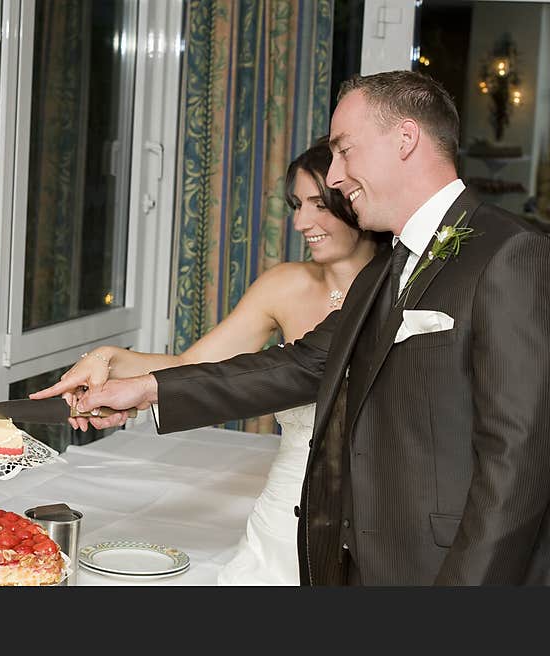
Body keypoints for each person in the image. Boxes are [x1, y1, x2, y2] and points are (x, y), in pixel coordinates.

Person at [71, 71, 550, 586]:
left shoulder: (510, 252)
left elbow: (518, 462)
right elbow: (299, 364)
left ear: (405, 139)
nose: (337, 175)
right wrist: (146, 388)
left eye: (345, 150)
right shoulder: (388, 268)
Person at [32, 138, 382, 584]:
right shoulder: (284, 285)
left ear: (350, 199)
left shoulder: (397, 286)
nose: (301, 222)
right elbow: (193, 363)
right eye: (296, 205)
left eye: (318, 204)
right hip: (288, 504)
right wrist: (106, 360)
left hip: (376, 509)